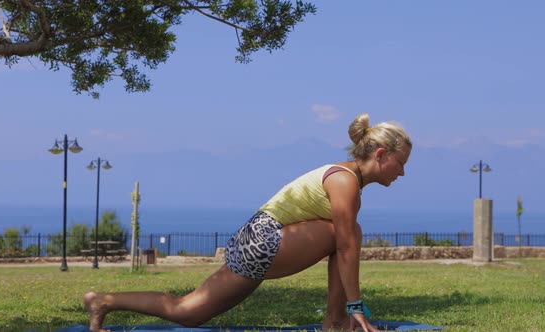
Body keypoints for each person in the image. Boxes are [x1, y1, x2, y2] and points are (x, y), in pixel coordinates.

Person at [84, 113, 412, 332]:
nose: (403, 173)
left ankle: (103, 301)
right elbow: (344, 246)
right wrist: (355, 306)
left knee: (189, 311)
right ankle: (337, 321)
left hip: (250, 240)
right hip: (266, 239)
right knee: (349, 233)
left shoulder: (344, 177)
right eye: (400, 163)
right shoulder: (346, 182)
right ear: (381, 154)